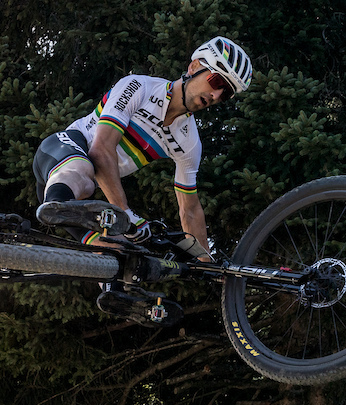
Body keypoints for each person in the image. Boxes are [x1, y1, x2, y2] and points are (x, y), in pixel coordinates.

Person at [32, 37, 252, 317]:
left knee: (118, 249)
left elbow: (190, 208)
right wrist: (125, 214)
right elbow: (100, 151)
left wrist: (206, 260)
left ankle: (117, 294)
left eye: (227, 94)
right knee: (85, 175)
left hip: (81, 205)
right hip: (64, 153)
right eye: (217, 82)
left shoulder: (189, 142)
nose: (217, 96)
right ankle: (59, 205)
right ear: (195, 66)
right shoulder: (140, 87)